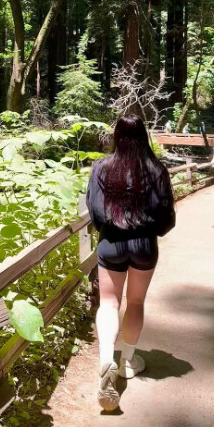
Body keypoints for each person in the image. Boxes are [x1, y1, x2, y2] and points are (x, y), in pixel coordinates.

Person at [86, 114, 175, 411]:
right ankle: (128, 361)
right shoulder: (157, 169)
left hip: (111, 243)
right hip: (144, 245)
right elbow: (166, 215)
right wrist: (151, 230)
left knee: (109, 303)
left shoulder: (101, 167)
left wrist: (111, 229)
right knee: (135, 303)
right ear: (143, 136)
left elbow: (96, 211)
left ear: (117, 136)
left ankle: (106, 360)